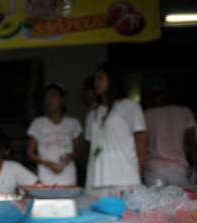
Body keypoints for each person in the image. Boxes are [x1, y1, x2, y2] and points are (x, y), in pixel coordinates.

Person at [85, 63, 147, 197]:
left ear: (112, 79)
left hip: (124, 179)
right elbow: (90, 148)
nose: (96, 82)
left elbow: (142, 144)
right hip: (96, 179)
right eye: (95, 79)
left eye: (100, 78)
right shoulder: (92, 114)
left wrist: (138, 173)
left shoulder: (129, 106)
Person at [26, 83, 82, 185]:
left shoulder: (73, 123)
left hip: (67, 174)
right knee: (46, 200)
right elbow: (30, 153)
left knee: (68, 200)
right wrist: (48, 164)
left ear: (62, 100)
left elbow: (79, 151)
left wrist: (71, 156)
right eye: (46, 97)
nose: (48, 100)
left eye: (52, 96)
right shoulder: (38, 123)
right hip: (45, 174)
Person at [142, 82, 196, 187]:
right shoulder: (185, 112)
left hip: (154, 170)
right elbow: (192, 144)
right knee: (181, 203)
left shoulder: (146, 115)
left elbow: (141, 146)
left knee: (155, 203)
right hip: (178, 170)